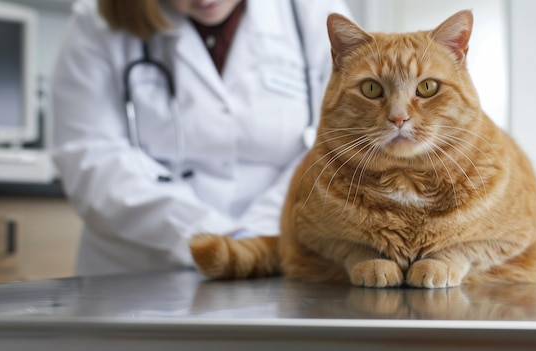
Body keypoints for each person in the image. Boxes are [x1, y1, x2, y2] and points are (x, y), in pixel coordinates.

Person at [51, 0, 352, 276]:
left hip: (277, 257)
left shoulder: (310, 11)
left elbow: (341, 140)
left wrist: (257, 236)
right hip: (142, 270)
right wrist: (217, 235)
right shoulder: (96, 23)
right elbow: (92, 157)